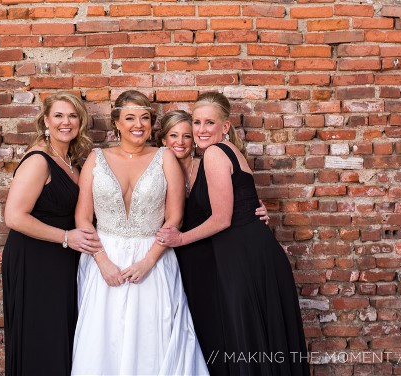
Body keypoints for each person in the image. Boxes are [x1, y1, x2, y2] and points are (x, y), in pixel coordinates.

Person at [157, 93, 309, 375]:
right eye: (197, 122)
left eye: (209, 123)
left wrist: (179, 239)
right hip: (234, 256)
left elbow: (222, 218)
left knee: (246, 338)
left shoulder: (215, 154)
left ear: (225, 126)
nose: (200, 130)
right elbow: (240, 200)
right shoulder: (214, 156)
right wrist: (256, 207)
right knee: (249, 338)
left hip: (240, 257)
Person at [72, 90, 208, 375]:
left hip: (153, 258)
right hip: (104, 258)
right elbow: (83, 218)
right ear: (117, 123)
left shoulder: (164, 157)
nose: (139, 124)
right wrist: (102, 261)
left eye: (145, 118)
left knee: (151, 338)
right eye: (130, 117)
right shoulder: (96, 159)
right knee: (103, 340)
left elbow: (175, 218)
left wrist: (147, 261)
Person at [2, 91, 103, 375]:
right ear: (46, 120)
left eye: (72, 116)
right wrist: (67, 238)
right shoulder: (39, 160)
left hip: (61, 259)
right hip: (34, 258)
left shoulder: (72, 161)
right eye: (58, 115)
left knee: (60, 335)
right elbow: (13, 216)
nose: (66, 122)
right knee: (40, 337)